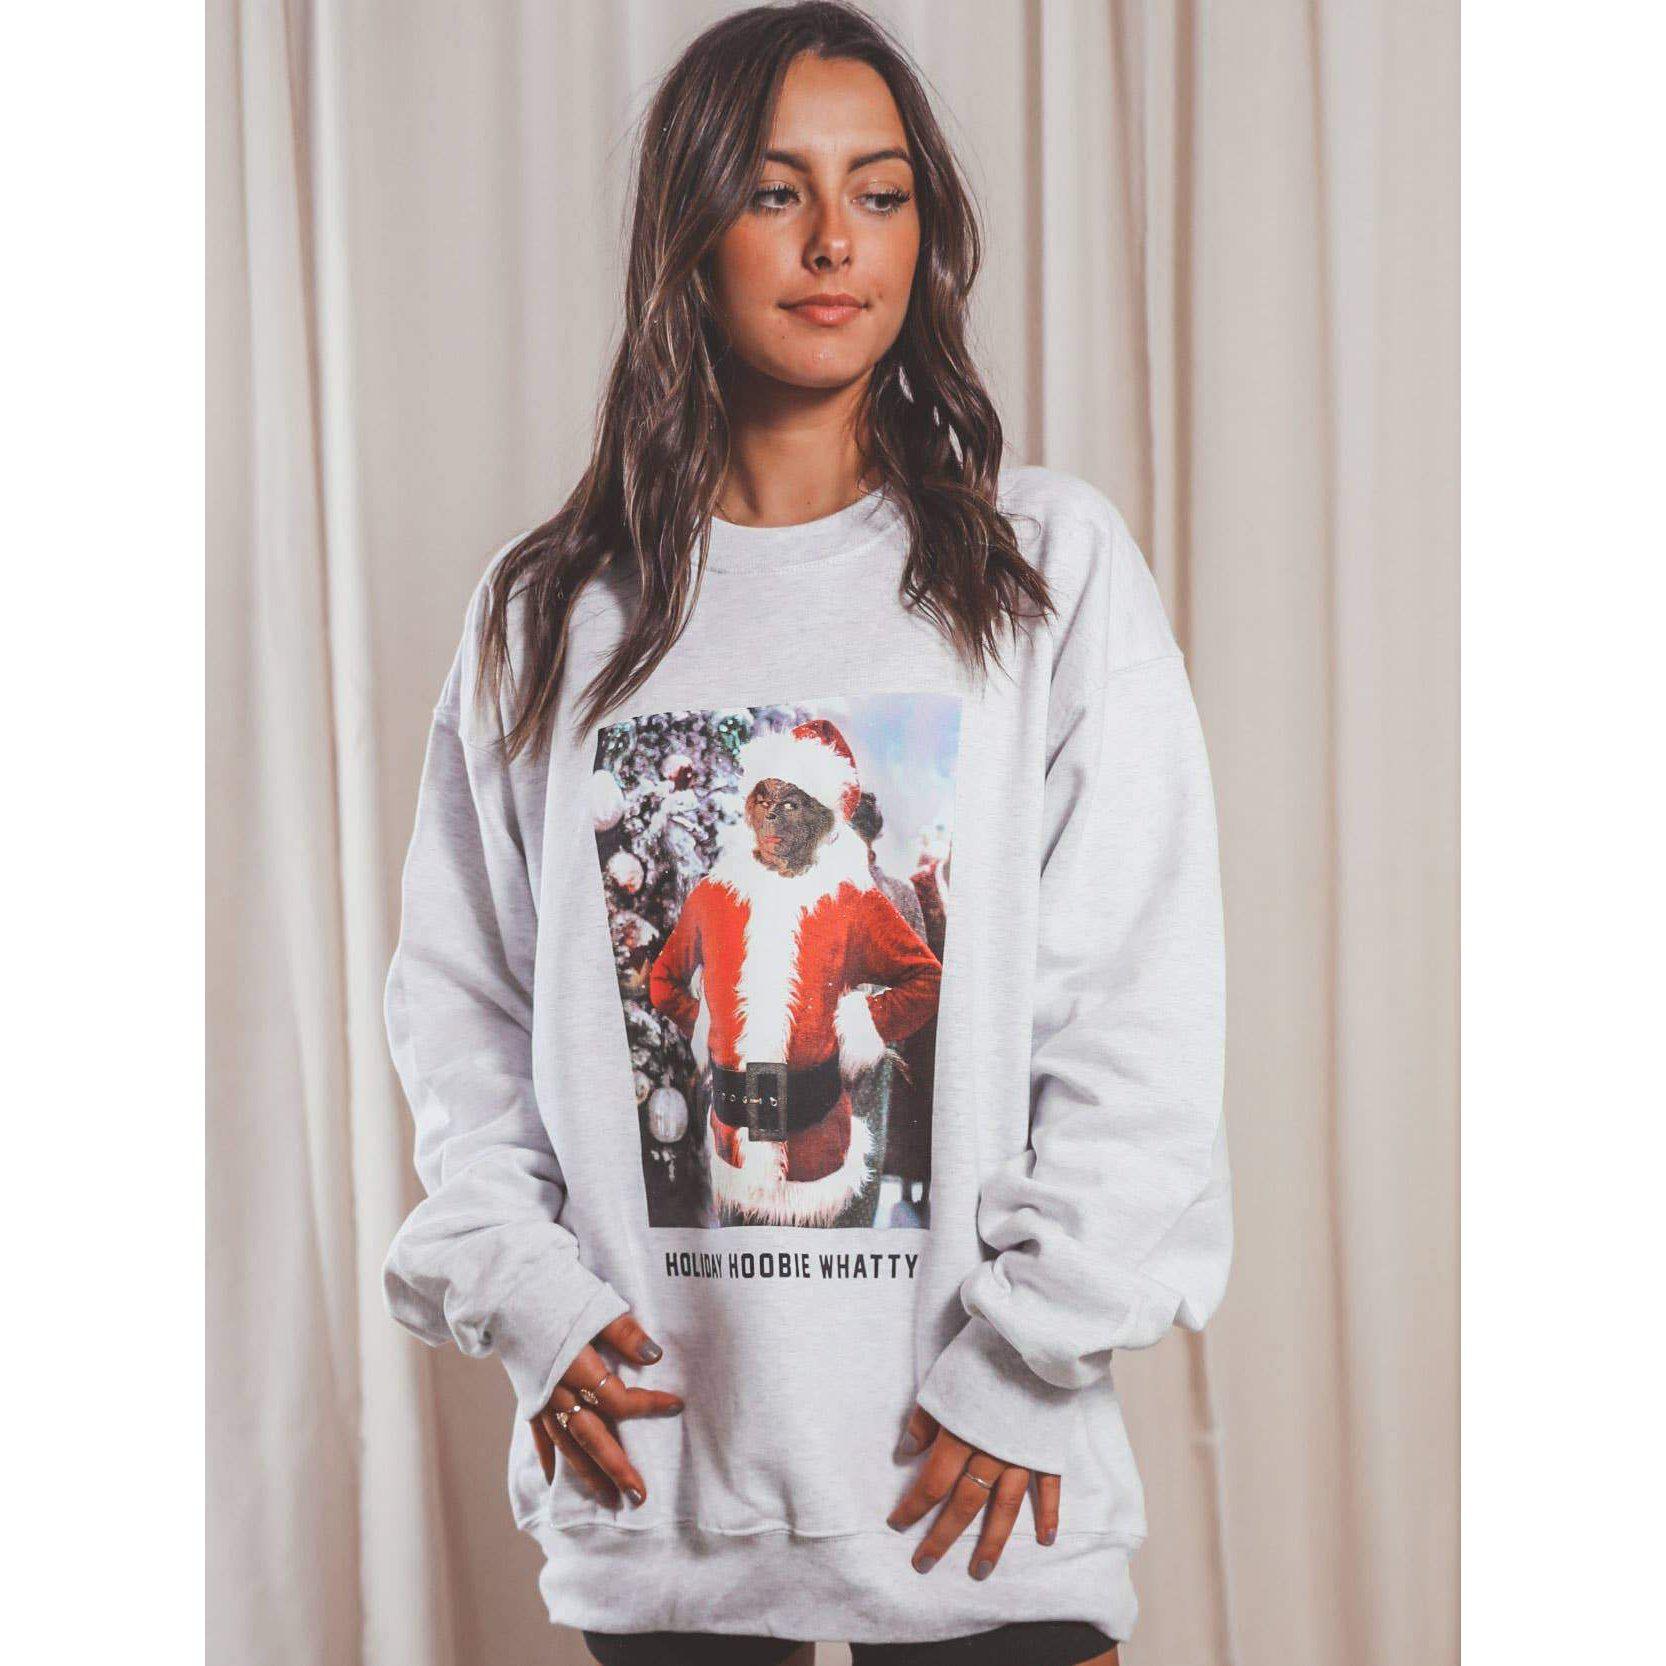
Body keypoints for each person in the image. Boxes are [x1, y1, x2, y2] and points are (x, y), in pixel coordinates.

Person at [381, 4, 1229, 1664]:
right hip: (659, 1477)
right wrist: (531, 1299)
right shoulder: (550, 610)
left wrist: (1029, 1353)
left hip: (975, 1472)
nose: (836, 240)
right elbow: (465, 1006)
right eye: (777, 192)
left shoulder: (1042, 569)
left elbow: (1138, 1008)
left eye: (880, 191)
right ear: (689, 229)